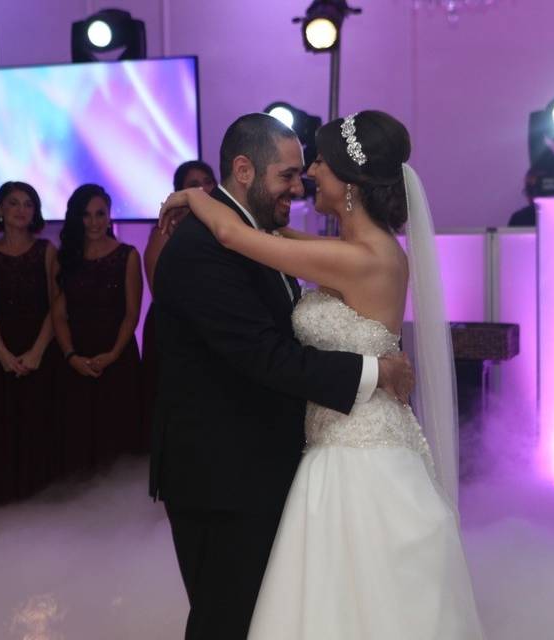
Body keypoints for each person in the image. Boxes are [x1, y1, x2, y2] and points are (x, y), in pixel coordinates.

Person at [150, 112, 419, 639]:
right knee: (230, 619)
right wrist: (375, 371)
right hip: (223, 475)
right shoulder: (207, 248)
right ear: (245, 170)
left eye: (309, 172)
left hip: (329, 458)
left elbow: (241, 234)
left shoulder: (270, 239)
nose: (301, 185)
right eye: (289, 175)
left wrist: (197, 197)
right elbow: (264, 356)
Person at [0, 181, 60, 502]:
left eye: (28, 204)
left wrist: (36, 352)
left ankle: (40, 499)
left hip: (40, 350)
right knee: (1, 426)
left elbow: (56, 306)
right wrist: (3, 355)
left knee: (39, 426)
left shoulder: (47, 250)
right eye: (13, 203)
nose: (21, 210)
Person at [51, 184, 143, 477]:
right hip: (76, 358)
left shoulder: (127, 255)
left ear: (109, 215)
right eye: (86, 215)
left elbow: (131, 314)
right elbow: (59, 315)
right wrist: (70, 356)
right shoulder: (64, 259)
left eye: (100, 213)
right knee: (79, 437)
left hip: (117, 358)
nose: (94, 221)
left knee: (118, 434)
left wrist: (113, 354)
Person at [138, 161, 218, 454]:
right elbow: (158, 285)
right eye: (193, 183)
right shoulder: (165, 227)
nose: (201, 188)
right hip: (173, 326)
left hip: (212, 326)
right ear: (180, 192)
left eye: (207, 181)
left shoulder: (223, 225)